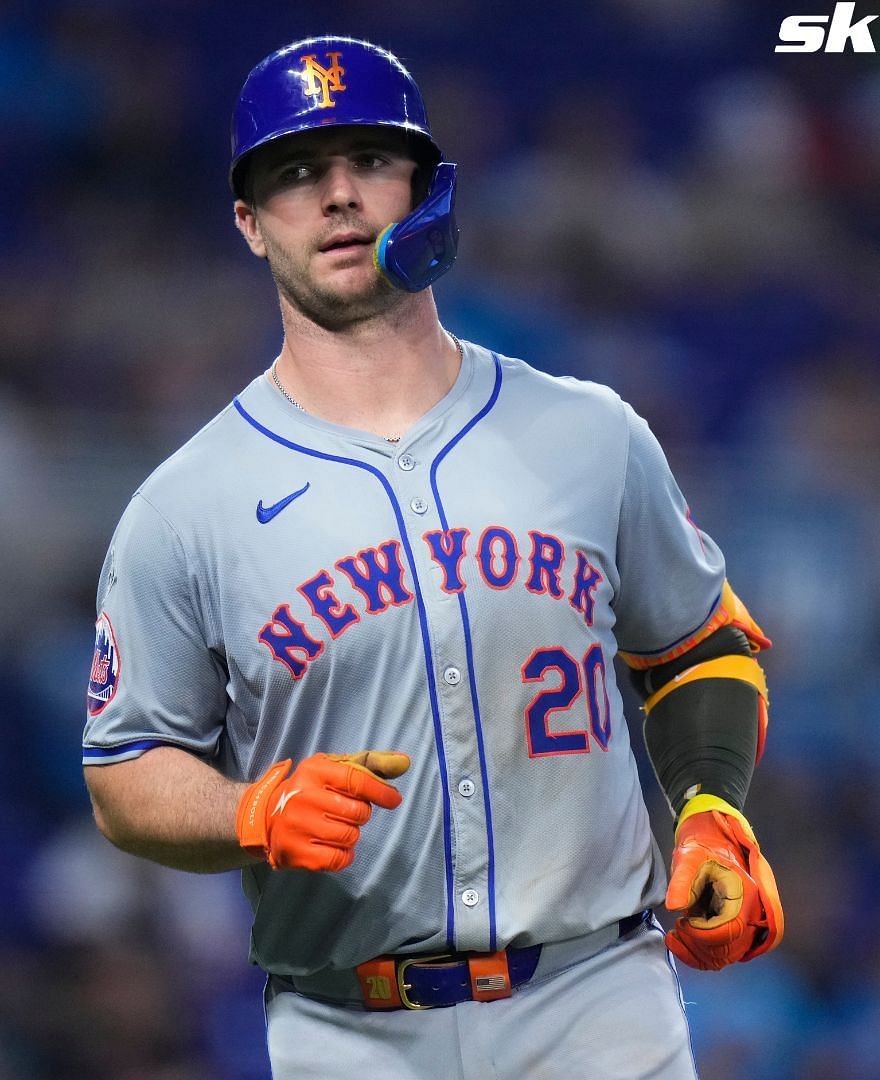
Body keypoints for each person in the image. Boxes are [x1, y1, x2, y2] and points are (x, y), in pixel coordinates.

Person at [81, 36, 780, 1077]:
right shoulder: (184, 506)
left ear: (425, 189)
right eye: (296, 173)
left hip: (599, 1001)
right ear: (249, 222)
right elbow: (125, 772)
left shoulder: (588, 433)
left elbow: (700, 646)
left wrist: (712, 805)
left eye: (369, 160)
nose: (337, 196)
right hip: (347, 1025)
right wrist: (248, 810)